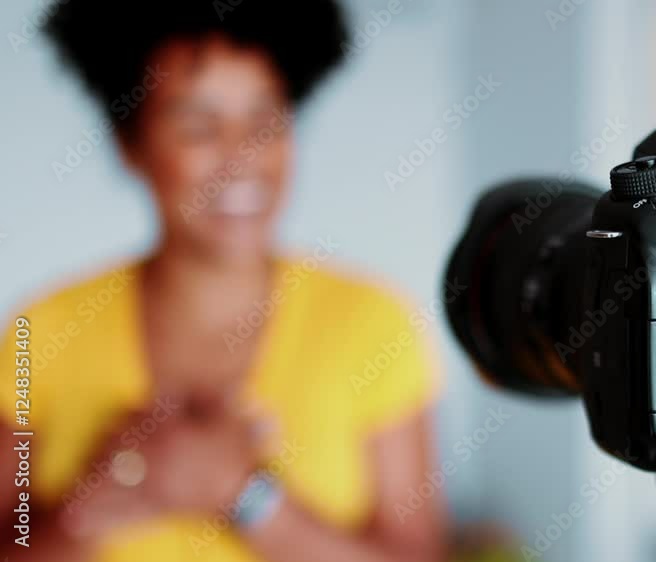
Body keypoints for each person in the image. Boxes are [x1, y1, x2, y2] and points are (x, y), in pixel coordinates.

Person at [0, 1, 448, 561]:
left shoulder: (374, 325)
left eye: (265, 121)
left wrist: (244, 495)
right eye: (198, 127)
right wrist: (95, 503)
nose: (241, 158)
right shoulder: (37, 334)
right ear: (130, 145)